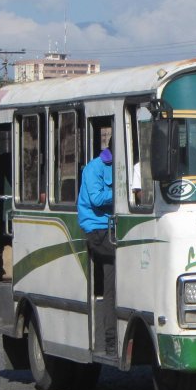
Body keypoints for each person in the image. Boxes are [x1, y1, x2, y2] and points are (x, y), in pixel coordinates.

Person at [78, 138, 116, 355]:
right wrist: (123, 190)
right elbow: (97, 198)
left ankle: (112, 339)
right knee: (118, 267)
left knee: (115, 280)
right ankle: (111, 340)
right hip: (97, 229)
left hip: (113, 227)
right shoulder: (95, 167)